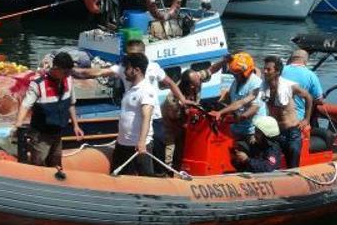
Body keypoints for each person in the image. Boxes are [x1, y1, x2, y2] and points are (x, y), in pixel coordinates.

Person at [73, 39, 189, 174]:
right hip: (132, 109)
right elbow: (98, 72)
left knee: (157, 147)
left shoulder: (153, 68)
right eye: (128, 54)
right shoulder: (124, 68)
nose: (129, 57)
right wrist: (74, 72)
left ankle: (160, 176)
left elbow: (169, 83)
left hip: (152, 113)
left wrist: (183, 100)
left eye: (133, 55)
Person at [14, 52, 84, 167]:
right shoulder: (38, 84)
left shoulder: (69, 80)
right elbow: (25, 105)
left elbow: (71, 104)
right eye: (65, 72)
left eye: (69, 72)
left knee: (56, 163)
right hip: (41, 135)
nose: (68, 74)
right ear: (56, 68)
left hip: (57, 132)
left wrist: (76, 125)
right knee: (38, 163)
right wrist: (18, 124)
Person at [161, 55, 230, 167]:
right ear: (191, 86)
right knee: (171, 146)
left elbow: (211, 70)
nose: (200, 82)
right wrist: (187, 116)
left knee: (186, 144)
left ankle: (184, 163)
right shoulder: (172, 99)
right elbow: (175, 119)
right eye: (197, 83)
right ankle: (167, 169)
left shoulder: (196, 77)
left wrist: (223, 61)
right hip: (170, 122)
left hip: (185, 117)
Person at [260, 55, 313, 168]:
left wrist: (306, 119)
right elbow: (248, 98)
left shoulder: (290, 86)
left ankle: (295, 178)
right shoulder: (263, 87)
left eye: (268, 69)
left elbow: (308, 97)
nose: (264, 71)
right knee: (270, 159)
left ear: (277, 71)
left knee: (293, 156)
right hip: (276, 132)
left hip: (292, 131)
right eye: (264, 68)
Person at [110, 53, 156, 176]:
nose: (124, 71)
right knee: (116, 177)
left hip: (137, 146)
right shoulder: (130, 89)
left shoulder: (146, 90)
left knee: (145, 179)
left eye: (127, 68)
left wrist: (141, 142)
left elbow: (146, 116)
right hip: (123, 144)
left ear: (136, 70)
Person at [209, 52, 266, 141]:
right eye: (233, 74)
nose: (234, 76)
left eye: (237, 74)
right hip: (236, 128)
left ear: (246, 72)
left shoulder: (256, 84)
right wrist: (217, 107)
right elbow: (230, 99)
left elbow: (254, 108)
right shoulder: (236, 82)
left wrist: (239, 118)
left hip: (251, 131)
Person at [281, 49, 323, 122]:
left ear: (290, 58)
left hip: (277, 115)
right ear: (306, 61)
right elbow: (319, 100)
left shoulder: (280, 70)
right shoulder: (311, 75)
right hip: (297, 118)